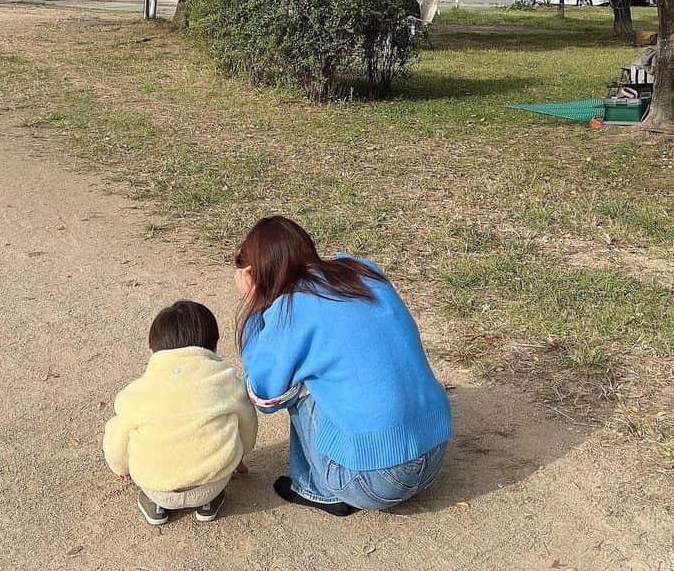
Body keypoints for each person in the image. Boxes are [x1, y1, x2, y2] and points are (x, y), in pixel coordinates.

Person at [235, 216, 452, 516]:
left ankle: (315, 487)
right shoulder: (363, 269)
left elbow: (263, 392)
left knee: (296, 380)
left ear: (254, 272)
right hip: (436, 451)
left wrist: (254, 305)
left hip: (373, 481)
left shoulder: (293, 306)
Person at [103, 300, 258, 526]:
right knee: (228, 427)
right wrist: (239, 455)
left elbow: (117, 440)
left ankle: (155, 505)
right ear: (213, 347)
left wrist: (120, 467)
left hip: (158, 486)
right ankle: (209, 502)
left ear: (151, 350)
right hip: (213, 482)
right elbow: (247, 423)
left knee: (124, 430)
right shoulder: (225, 379)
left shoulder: (136, 392)